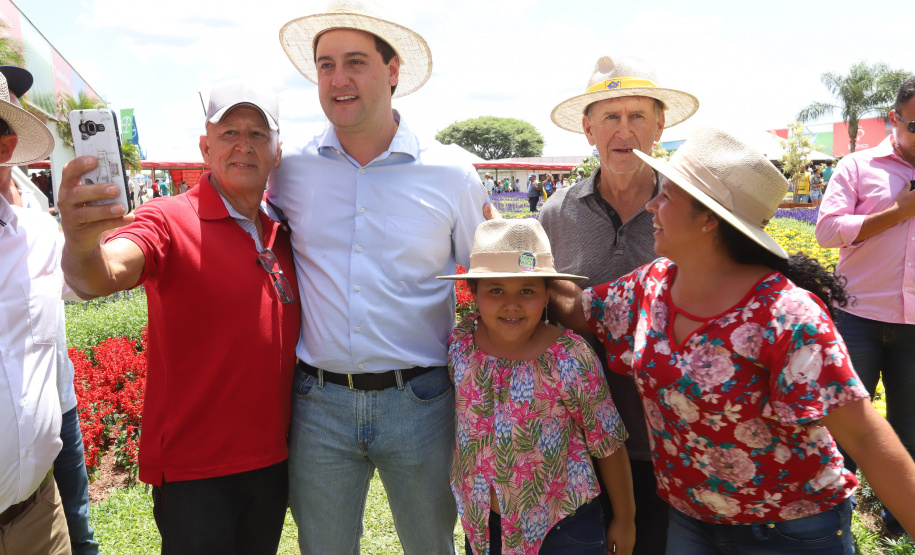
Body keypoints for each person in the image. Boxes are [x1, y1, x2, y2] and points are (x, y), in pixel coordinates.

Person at [551, 127, 915, 552]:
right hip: (691, 520)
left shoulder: (785, 315)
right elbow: (582, 311)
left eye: (667, 196)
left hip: (788, 530)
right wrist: (523, 265)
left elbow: (866, 438)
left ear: (708, 218)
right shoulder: (652, 286)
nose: (652, 205)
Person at [270, 2, 490, 552]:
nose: (338, 79)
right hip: (318, 402)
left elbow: (490, 280)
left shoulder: (451, 174)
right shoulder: (289, 169)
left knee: (430, 545)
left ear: (393, 73)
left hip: (419, 401)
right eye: (325, 65)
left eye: (355, 62)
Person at [58, 81, 300, 554]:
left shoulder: (282, 229)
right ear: (206, 147)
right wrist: (84, 246)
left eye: (257, 134)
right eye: (229, 132)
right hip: (196, 475)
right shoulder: (168, 217)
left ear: (277, 152)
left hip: (271, 463)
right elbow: (103, 274)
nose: (243, 145)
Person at [540, 54, 698, 555]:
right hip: (576, 439)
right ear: (588, 129)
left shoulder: (692, 211)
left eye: (637, 116)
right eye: (610, 116)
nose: (623, 130)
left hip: (670, 441)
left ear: (660, 125)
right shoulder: (555, 213)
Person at [439, 218, 635, 555]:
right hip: (485, 527)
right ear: (473, 293)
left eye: (527, 290)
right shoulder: (461, 346)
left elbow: (608, 443)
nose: (511, 303)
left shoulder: (569, 357)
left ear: (547, 293)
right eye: (495, 289)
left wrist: (626, 519)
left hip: (563, 527)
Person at [0, 64, 99, 555]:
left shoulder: (37, 231)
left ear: (5, 147)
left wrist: (89, 233)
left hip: (38, 516)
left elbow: (85, 284)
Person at [815, 75, 915, 536]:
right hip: (857, 319)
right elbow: (827, 231)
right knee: (844, 428)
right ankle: (834, 521)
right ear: (895, 119)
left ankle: (899, 521)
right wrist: (898, 213)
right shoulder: (857, 167)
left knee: (910, 428)